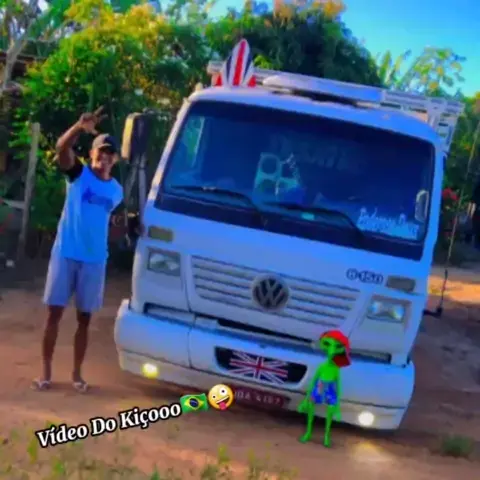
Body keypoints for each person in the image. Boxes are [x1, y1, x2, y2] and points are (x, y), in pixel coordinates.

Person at [32, 107, 124, 393]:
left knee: (84, 319)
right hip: (66, 254)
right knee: (54, 314)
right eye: (101, 151)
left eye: (110, 153)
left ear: (115, 159)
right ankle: (46, 372)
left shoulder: (117, 191)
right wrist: (78, 127)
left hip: (94, 261)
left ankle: (76, 374)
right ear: (92, 153)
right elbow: (62, 148)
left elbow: (106, 223)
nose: (104, 157)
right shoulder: (79, 175)